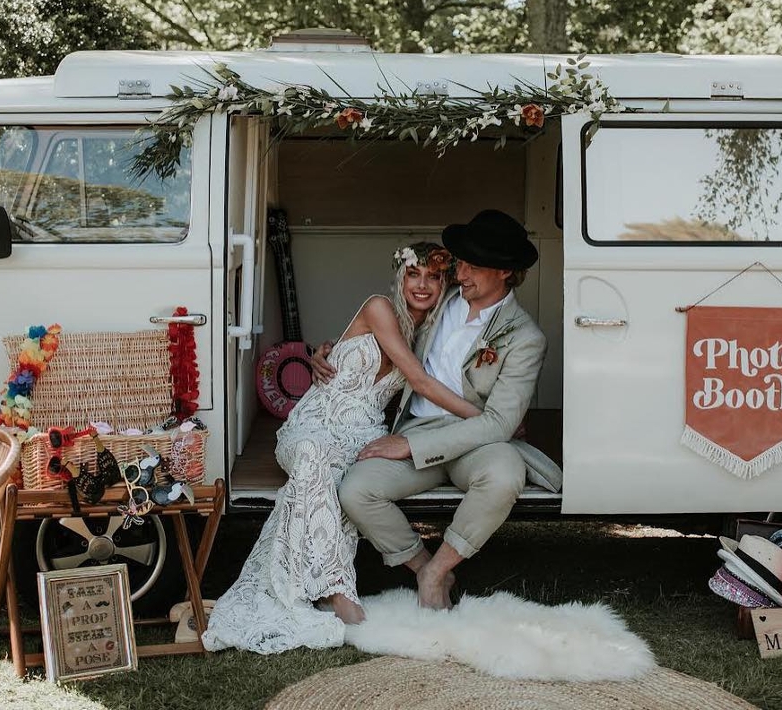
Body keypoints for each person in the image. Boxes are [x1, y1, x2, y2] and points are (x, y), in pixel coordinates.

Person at [200, 241, 482, 654]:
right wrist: (485, 419)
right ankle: (337, 592)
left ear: (444, 284)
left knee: (342, 480)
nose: (421, 285)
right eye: (413, 274)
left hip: (363, 433)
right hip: (314, 422)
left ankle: (398, 573)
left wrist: (329, 345)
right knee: (312, 459)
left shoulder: (428, 332)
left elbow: (406, 372)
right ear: (399, 277)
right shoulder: (379, 306)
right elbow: (417, 381)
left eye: (433, 277)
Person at [333, 209, 550, 610]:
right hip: (417, 427)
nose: (461, 273)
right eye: (460, 263)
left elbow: (500, 423)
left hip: (479, 439)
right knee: (356, 490)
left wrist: (409, 448)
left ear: (505, 272)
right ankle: (423, 567)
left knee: (504, 476)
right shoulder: (439, 299)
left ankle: (438, 571)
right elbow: (381, 330)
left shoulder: (524, 337)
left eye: (473, 266)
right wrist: (328, 350)